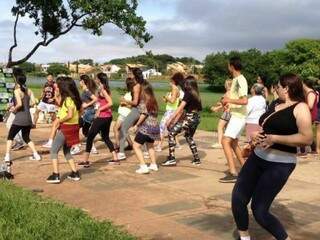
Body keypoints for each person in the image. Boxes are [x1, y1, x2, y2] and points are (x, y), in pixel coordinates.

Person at [231, 73, 313, 240]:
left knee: (259, 210)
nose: (276, 89)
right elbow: (268, 127)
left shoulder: (300, 108)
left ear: (287, 88)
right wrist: (255, 136)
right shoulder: (276, 103)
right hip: (257, 158)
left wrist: (275, 139)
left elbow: (306, 138)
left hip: (279, 165)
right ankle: (244, 237)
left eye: (278, 86)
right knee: (238, 199)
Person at [46, 77, 81, 184]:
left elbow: (69, 114)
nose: (57, 87)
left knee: (53, 151)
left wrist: (60, 120)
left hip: (67, 127)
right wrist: (56, 95)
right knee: (66, 151)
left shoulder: (68, 99)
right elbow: (73, 112)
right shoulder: (73, 99)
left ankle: (56, 175)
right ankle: (75, 173)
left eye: (58, 85)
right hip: (73, 127)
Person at [79, 73, 118, 167]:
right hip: (107, 117)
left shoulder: (103, 89)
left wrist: (99, 109)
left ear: (100, 79)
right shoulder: (103, 88)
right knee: (105, 137)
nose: (95, 79)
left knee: (90, 137)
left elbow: (110, 103)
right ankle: (115, 158)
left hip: (103, 117)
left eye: (96, 78)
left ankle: (85, 161)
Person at [162, 75, 202, 166]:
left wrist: (170, 120)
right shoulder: (196, 94)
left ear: (188, 84)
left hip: (190, 118)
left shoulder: (188, 93)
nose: (184, 85)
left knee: (171, 133)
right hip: (196, 118)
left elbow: (180, 108)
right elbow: (186, 111)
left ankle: (171, 158)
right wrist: (176, 120)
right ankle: (197, 159)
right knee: (189, 137)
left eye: (186, 83)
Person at [219, 56, 248, 183]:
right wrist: (228, 103)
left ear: (231, 66)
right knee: (234, 143)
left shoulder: (240, 80)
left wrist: (228, 100)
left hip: (239, 116)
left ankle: (233, 172)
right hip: (236, 115)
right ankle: (247, 170)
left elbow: (244, 100)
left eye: (228, 65)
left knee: (225, 141)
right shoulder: (236, 80)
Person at [4, 68, 41, 164]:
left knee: (10, 137)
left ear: (17, 80)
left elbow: (19, 104)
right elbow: (33, 103)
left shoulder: (17, 91)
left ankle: (7, 157)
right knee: (26, 138)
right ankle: (36, 154)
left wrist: (13, 108)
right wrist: (24, 105)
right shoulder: (29, 90)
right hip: (28, 118)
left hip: (19, 118)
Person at [131, 83, 160, 174]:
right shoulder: (153, 100)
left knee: (136, 146)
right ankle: (153, 164)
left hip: (146, 127)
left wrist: (136, 125)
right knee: (150, 146)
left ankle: (143, 166)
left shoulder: (144, 101)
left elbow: (144, 114)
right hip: (155, 127)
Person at [118, 68, 146, 160]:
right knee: (140, 130)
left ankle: (121, 153)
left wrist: (125, 101)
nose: (129, 74)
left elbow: (135, 102)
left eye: (130, 73)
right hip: (145, 110)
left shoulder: (136, 86)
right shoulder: (144, 84)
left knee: (123, 128)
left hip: (137, 110)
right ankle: (146, 151)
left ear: (134, 75)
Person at [155, 72, 184, 152]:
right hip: (171, 110)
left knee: (162, 127)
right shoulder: (174, 89)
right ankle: (177, 144)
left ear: (174, 81)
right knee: (170, 128)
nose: (169, 83)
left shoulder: (174, 89)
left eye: (170, 81)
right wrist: (167, 98)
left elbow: (172, 100)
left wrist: (167, 98)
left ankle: (159, 146)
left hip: (171, 111)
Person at [70, 74, 98, 155]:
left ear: (82, 81)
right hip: (89, 112)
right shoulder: (86, 89)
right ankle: (92, 148)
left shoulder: (86, 90)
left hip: (86, 113)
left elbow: (95, 99)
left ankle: (76, 147)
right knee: (85, 131)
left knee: (74, 129)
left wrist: (87, 104)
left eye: (80, 81)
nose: (79, 82)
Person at [113, 77, 135, 151]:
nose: (124, 84)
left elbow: (132, 106)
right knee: (123, 130)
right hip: (124, 113)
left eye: (125, 83)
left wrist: (124, 103)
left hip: (125, 114)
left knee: (116, 128)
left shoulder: (133, 93)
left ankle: (117, 145)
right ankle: (130, 144)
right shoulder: (129, 92)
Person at [211, 79, 232, 149]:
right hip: (231, 113)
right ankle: (229, 143)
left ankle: (220, 143)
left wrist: (216, 108)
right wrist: (220, 104)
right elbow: (227, 103)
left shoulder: (227, 93)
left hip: (226, 113)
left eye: (225, 84)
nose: (224, 85)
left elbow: (226, 104)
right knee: (228, 129)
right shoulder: (233, 93)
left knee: (220, 127)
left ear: (227, 85)